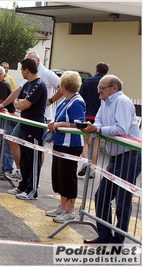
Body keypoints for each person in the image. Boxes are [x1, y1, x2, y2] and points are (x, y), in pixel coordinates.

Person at [81, 75, 141, 244]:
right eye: (98, 88)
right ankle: (104, 236)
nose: (98, 91)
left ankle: (118, 240)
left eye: (102, 88)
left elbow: (121, 128)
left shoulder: (121, 101)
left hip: (129, 156)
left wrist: (98, 129)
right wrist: (93, 128)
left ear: (114, 88)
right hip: (115, 156)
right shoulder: (105, 102)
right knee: (101, 196)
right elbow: (98, 122)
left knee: (122, 200)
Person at [0, 52, 60, 181]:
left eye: (30, 60)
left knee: (37, 149)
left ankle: (34, 176)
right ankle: (22, 172)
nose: (28, 63)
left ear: (38, 60)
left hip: (42, 118)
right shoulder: (27, 79)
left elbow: (63, 87)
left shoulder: (46, 74)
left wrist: (51, 100)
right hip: (26, 118)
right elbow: (17, 94)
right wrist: (3, 104)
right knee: (15, 140)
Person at [45, 71, 85, 222]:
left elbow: (80, 124)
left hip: (71, 144)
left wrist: (60, 124)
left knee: (68, 177)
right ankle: (62, 206)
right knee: (59, 175)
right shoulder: (67, 100)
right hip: (61, 143)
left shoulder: (77, 101)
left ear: (63, 86)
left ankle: (70, 210)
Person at [6, 58, 47, 200]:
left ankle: (32, 190)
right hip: (24, 125)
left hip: (35, 126)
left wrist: (20, 103)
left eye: (22, 70)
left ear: (26, 70)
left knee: (33, 159)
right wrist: (19, 103)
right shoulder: (27, 85)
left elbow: (24, 104)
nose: (21, 72)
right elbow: (18, 102)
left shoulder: (39, 84)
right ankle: (23, 185)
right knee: (24, 158)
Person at [78, 62, 109, 179]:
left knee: (85, 141)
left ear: (96, 70)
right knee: (95, 143)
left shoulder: (88, 81)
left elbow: (81, 96)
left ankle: (85, 162)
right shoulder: (107, 84)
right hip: (99, 118)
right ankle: (92, 169)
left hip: (87, 115)